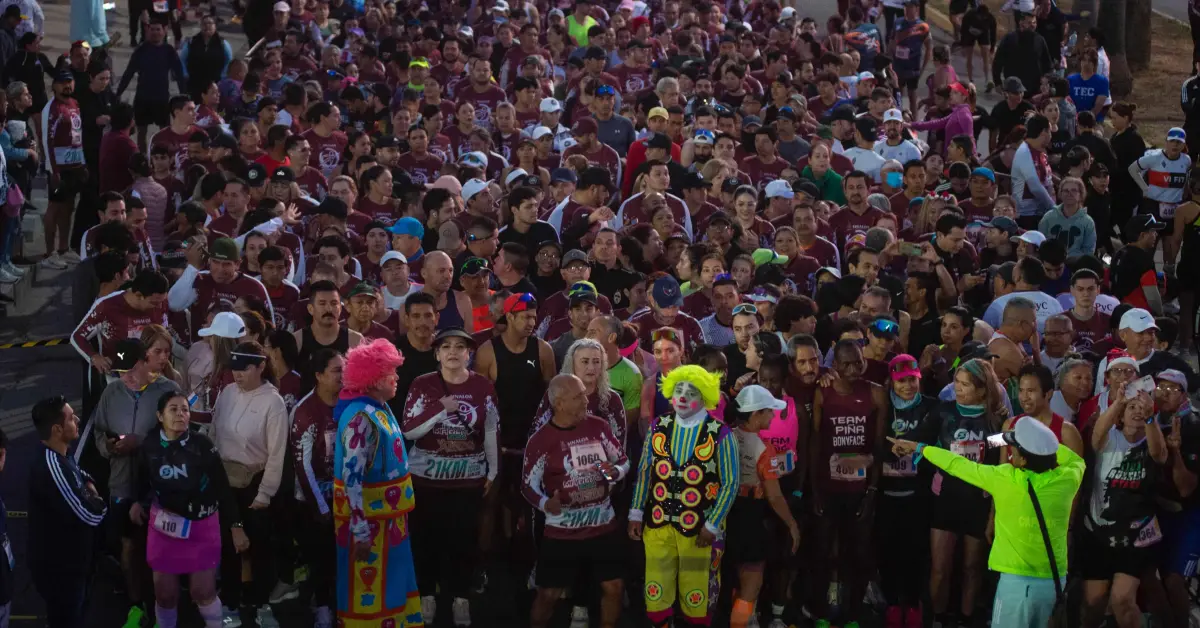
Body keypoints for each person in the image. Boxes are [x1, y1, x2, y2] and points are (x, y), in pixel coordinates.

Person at [889, 413, 1084, 627]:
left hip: (1017, 588)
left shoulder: (1006, 479)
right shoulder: (1069, 477)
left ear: (1023, 460)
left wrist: (920, 448)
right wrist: (1039, 442)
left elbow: (956, 464)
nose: (1010, 455)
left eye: (1014, 451)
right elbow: (1072, 458)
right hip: (1054, 584)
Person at [402, 327, 499, 627]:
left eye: (460, 347)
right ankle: (427, 595)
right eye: (446, 347)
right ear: (437, 354)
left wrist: (493, 471)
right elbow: (408, 429)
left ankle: (461, 598)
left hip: (467, 480)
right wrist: (440, 409)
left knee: (463, 540)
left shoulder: (483, 386)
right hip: (425, 480)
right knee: (425, 539)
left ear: (469, 354)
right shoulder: (422, 384)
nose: (454, 352)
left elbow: (492, 429)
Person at [628, 365, 737, 627]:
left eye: (692, 392)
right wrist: (636, 513)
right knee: (656, 594)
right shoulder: (658, 427)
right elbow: (644, 473)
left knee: (696, 596)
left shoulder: (720, 433)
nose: (683, 397)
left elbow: (730, 483)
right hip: (657, 526)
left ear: (706, 397)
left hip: (700, 531)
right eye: (678, 390)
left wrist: (712, 525)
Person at [131, 391, 247, 628]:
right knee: (165, 594)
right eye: (173, 409)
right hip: (164, 527)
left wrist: (236, 526)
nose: (181, 414)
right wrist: (136, 502)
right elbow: (141, 480)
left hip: (201, 527)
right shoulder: (150, 445)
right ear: (159, 416)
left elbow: (222, 488)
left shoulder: (202, 445)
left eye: (185, 409)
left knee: (202, 592)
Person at [524, 373, 630, 628]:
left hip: (602, 525)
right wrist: (545, 504)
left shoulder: (598, 426)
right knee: (548, 595)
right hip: (561, 532)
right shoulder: (540, 441)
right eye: (578, 396)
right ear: (559, 403)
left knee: (614, 587)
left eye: (585, 394)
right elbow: (527, 485)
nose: (586, 400)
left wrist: (615, 472)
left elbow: (623, 460)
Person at [90, 338, 181, 627]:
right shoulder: (111, 392)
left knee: (161, 548)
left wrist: (140, 443)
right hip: (121, 484)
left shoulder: (169, 391)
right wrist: (109, 447)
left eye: (129, 369)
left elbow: (181, 438)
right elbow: (98, 433)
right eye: (120, 371)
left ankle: (164, 608)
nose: (124, 376)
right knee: (128, 546)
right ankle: (135, 605)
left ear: (143, 362)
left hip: (160, 486)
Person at [332, 338, 422, 626]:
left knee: (393, 592)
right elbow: (352, 478)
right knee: (369, 598)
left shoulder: (378, 407)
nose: (396, 377)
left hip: (389, 522)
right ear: (370, 378)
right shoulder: (360, 418)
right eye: (389, 373)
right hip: (369, 527)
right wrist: (359, 530)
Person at [809, 339, 888, 628]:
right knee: (825, 551)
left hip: (861, 488)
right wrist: (815, 489)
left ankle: (854, 613)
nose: (854, 368)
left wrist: (872, 491)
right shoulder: (823, 392)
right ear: (835, 365)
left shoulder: (876, 394)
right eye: (846, 364)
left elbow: (879, 447)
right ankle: (822, 611)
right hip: (829, 488)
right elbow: (816, 441)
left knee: (859, 552)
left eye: (859, 362)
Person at [210, 341, 289, 625]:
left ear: (261, 366)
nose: (238, 375)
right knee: (228, 546)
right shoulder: (228, 392)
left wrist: (265, 493)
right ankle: (230, 603)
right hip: (225, 480)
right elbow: (215, 433)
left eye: (245, 369)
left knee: (258, 547)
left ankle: (259, 604)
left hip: (255, 482)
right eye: (234, 369)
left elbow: (277, 453)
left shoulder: (273, 401)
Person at [1079, 382, 1168, 628]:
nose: (1137, 411)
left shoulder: (1152, 437)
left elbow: (1159, 454)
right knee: (1094, 605)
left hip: (1134, 536)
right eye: (1132, 407)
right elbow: (1097, 435)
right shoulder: (1108, 439)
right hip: (1097, 533)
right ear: (1122, 413)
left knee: (1123, 600)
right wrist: (1118, 401)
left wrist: (1151, 419)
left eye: (1142, 408)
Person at [725, 384, 801, 628]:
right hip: (750, 516)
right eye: (769, 411)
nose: (773, 415)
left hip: (726, 513)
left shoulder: (725, 435)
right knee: (751, 583)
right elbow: (775, 496)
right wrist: (792, 524)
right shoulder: (763, 450)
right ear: (756, 414)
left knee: (732, 580)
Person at [28, 396, 107, 628]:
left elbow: (80, 474)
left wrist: (89, 484)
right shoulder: (51, 467)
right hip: (61, 571)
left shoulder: (62, 455)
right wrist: (100, 501)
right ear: (57, 429)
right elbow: (90, 514)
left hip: (71, 566)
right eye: (71, 418)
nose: (78, 420)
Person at [288, 348, 342, 628]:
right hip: (314, 498)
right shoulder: (305, 411)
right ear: (319, 376)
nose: (342, 376)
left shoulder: (352, 401)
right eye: (336, 371)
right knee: (321, 556)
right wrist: (321, 506)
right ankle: (321, 606)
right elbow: (302, 466)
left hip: (347, 495)